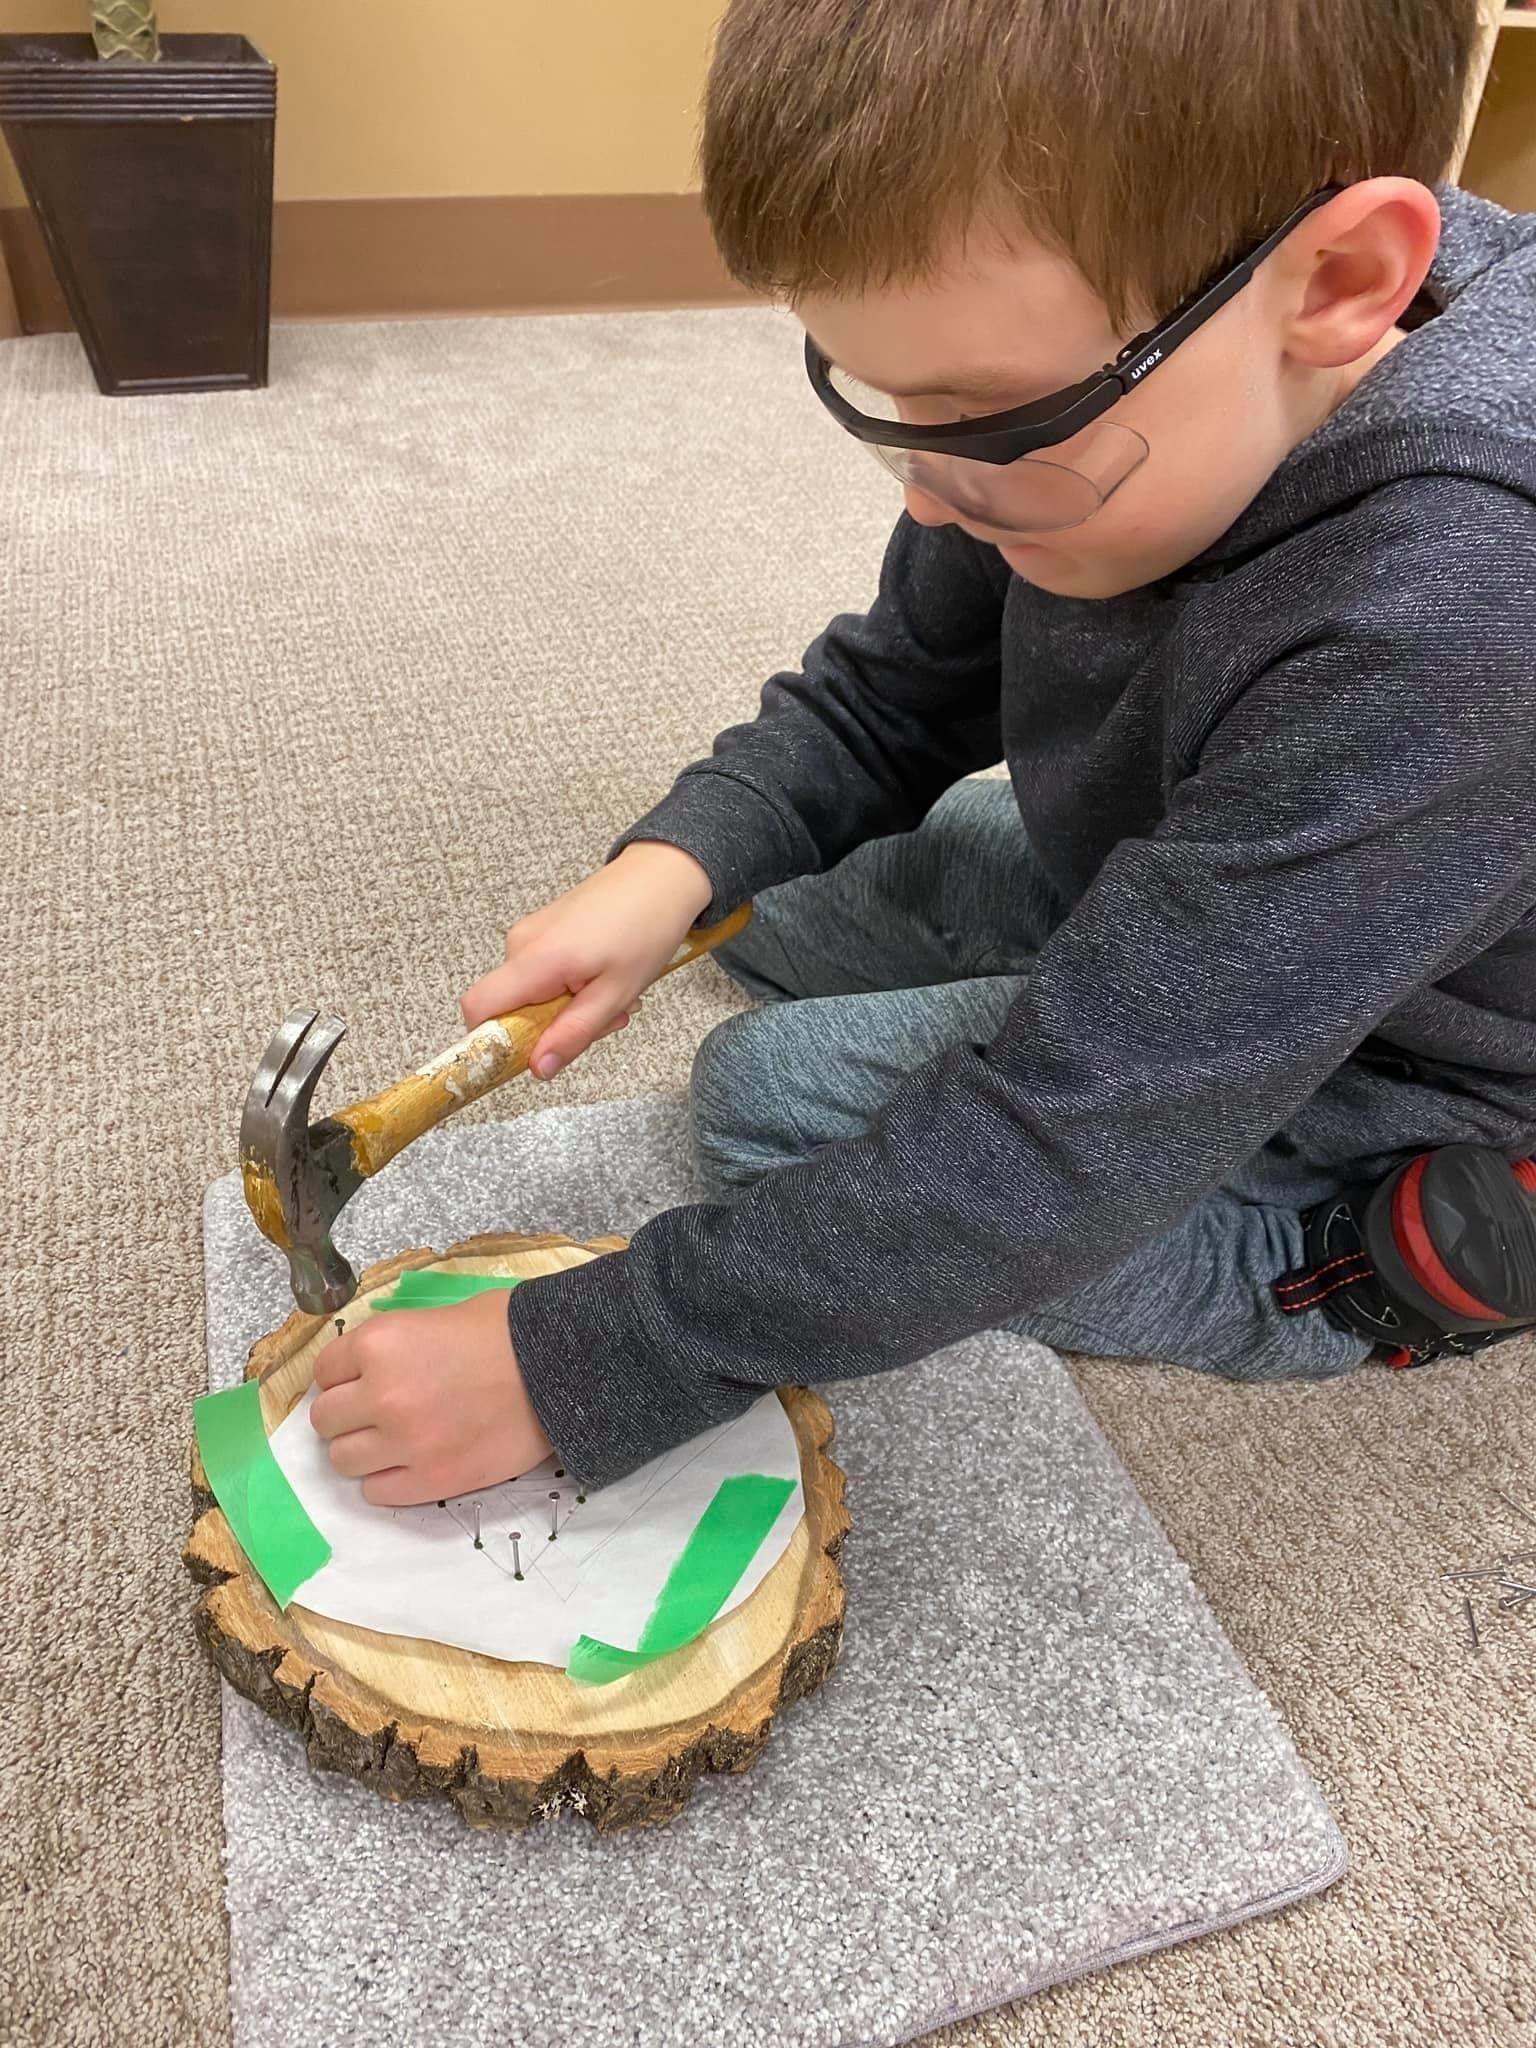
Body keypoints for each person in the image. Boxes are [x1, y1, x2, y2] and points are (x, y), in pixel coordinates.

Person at [308, 0, 1536, 1507]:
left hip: (1421, 1051)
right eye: (888, 407)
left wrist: (603, 1350)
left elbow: (1071, 1132)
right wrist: (675, 860)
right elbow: (899, 688)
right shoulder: (1113, 382)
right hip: (1246, 858)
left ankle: (1336, 1268)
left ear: (1343, 283)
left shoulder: (1459, 609)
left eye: (978, 423)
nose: (935, 502)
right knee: (807, 897)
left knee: (772, 1099)